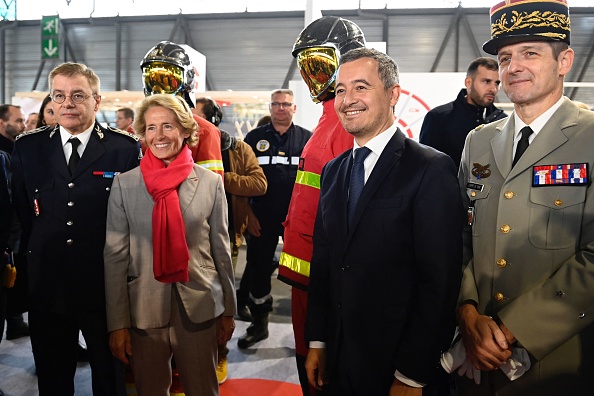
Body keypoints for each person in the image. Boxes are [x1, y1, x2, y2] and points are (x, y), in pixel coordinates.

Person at [304, 48, 463, 395]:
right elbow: (325, 261)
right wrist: (317, 339)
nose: (347, 100)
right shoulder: (333, 170)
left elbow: (440, 281)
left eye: (361, 87)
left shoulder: (429, 168)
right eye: (341, 90)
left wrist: (412, 373)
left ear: (392, 94)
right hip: (340, 358)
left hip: (396, 365)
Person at [455, 0, 594, 394]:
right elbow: (459, 234)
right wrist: (466, 312)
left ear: (564, 60)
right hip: (476, 358)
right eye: (504, 57)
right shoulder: (478, 142)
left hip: (557, 363)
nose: (513, 67)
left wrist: (513, 328)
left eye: (530, 53)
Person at [10, 62, 141, 395]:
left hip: (103, 285)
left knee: (109, 375)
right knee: (53, 375)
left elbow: (132, 220)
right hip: (48, 283)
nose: (67, 103)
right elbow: (26, 214)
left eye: (78, 95)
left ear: (97, 101)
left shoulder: (122, 149)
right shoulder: (29, 148)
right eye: (59, 95)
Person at [104, 94, 236, 396]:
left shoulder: (210, 183)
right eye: (151, 128)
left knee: (203, 388)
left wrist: (229, 308)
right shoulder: (124, 185)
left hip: (200, 305)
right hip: (143, 307)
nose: (159, 136)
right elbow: (114, 258)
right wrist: (117, 323)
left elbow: (221, 249)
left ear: (185, 130)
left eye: (167, 126)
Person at [277, 15, 366, 395]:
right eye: (306, 67)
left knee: (320, 371)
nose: (313, 77)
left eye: (321, 65)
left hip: (324, 277)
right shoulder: (328, 121)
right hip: (308, 274)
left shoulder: (346, 125)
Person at [193, 96, 267, 384]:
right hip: (189, 237)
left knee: (223, 301)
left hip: (225, 234)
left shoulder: (237, 148)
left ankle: (220, 353)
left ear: (213, 121)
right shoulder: (179, 145)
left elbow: (259, 184)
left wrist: (220, 178)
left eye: (198, 119)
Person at [237, 89, 312, 349]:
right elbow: (241, 179)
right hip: (262, 217)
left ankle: (306, 331)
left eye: (286, 104)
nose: (281, 108)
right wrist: (248, 213)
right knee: (258, 270)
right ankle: (259, 325)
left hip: (296, 221)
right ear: (270, 108)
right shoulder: (253, 138)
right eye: (277, 104)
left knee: (302, 273)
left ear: (294, 108)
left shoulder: (307, 139)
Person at [141, 41, 223, 178]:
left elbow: (210, 189)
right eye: (152, 82)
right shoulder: (134, 131)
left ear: (187, 82)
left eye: (168, 82)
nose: (159, 90)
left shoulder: (205, 131)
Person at [419, 57, 507, 166]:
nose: (493, 89)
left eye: (497, 83)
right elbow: (425, 164)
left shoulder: (503, 121)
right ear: (469, 83)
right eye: (486, 81)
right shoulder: (439, 117)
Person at [0, 104, 29, 341]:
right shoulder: (6, 155)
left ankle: (15, 322)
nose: (23, 125)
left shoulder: (16, 150)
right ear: (2, 122)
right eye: (18, 120)